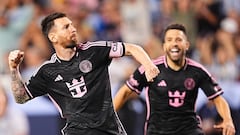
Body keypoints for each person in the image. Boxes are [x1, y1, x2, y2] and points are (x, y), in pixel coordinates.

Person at [8, 12, 159, 135]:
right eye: (66, 27)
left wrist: (149, 65)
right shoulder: (47, 71)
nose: (73, 29)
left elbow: (132, 48)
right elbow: (21, 97)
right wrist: (14, 69)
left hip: (110, 129)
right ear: (53, 37)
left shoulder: (94, 51)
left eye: (72, 25)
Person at [113, 23, 236, 135]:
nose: (174, 44)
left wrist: (228, 120)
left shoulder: (198, 71)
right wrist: (109, 116)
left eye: (179, 39)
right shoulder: (150, 68)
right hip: (158, 131)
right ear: (164, 46)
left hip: (190, 130)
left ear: (187, 45)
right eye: (170, 40)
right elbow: (125, 92)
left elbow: (218, 99)